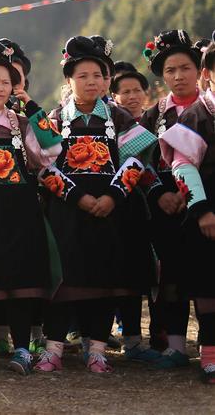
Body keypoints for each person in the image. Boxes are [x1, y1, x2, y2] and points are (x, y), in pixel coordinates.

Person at [35, 35, 157, 374]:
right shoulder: (55, 118)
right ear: (69, 80)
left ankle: (98, 350)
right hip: (66, 211)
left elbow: (137, 161)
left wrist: (111, 196)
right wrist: (79, 197)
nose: (92, 82)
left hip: (109, 211)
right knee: (65, 280)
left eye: (99, 76)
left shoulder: (119, 118)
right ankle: (53, 348)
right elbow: (44, 168)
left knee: (103, 278)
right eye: (83, 76)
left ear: (108, 80)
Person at [0, 41, 62, 376]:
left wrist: (30, 104)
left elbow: (52, 147)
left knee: (21, 280)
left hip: (19, 213)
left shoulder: (22, 122)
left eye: (6, 81)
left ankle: (21, 348)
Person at [139, 31, 203, 368]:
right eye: (170, 71)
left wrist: (190, 192)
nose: (178, 76)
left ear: (199, 70)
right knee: (172, 277)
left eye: (185, 68)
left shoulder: (208, 108)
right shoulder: (153, 116)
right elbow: (138, 162)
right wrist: (159, 192)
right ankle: (176, 345)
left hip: (207, 203)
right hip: (167, 209)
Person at [160, 37, 215, 384]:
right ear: (208, 74)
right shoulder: (200, 114)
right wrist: (203, 210)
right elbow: (182, 165)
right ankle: (209, 355)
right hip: (209, 217)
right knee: (210, 289)